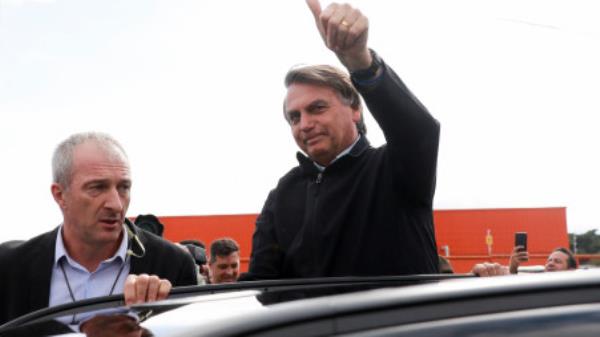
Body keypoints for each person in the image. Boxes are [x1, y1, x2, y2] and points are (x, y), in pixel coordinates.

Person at [241, 0, 440, 280]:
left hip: (397, 324)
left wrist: (360, 61)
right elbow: (259, 285)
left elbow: (419, 132)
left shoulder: (394, 169)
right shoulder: (283, 193)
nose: (305, 124)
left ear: (355, 110)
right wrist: (164, 290)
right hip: (311, 326)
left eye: (317, 108)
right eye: (294, 117)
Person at [0, 132, 197, 326]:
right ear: (60, 195)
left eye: (123, 187)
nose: (116, 204)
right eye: (97, 187)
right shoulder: (11, 266)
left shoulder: (172, 264)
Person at [471, 247, 578, 277]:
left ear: (570, 270)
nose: (550, 263)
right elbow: (512, 277)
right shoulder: (535, 278)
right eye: (549, 260)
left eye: (557, 261)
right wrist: (513, 266)